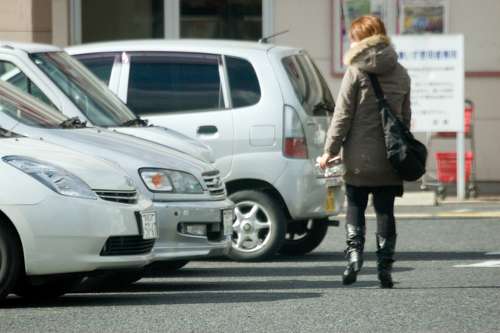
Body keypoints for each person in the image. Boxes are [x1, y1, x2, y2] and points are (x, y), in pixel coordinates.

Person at [319, 15, 411, 288]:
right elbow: (406, 119)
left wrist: (329, 151)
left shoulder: (356, 71)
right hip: (390, 156)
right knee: (385, 211)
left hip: (358, 156)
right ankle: (385, 268)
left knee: (356, 205)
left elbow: (342, 116)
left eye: (354, 36)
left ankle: (355, 258)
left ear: (362, 39)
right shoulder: (401, 71)